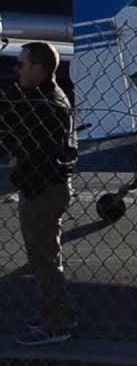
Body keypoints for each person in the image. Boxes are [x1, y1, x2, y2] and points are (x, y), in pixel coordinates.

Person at [2, 42, 78, 346]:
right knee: (45, 256)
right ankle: (59, 316)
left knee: (44, 258)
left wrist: (20, 173)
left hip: (43, 190)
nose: (16, 69)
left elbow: (40, 156)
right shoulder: (39, 98)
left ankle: (56, 324)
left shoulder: (47, 106)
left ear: (39, 68)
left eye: (21, 64)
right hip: (43, 187)